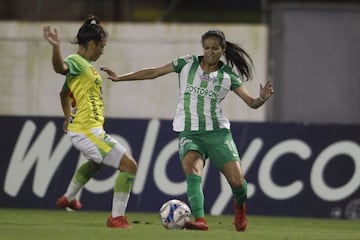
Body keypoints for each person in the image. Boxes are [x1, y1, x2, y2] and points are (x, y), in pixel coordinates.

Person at [100, 29, 274, 231]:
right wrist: (121, 78)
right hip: (190, 133)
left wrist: (261, 98)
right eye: (207, 48)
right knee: (192, 171)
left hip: (217, 134)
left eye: (215, 49)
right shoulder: (187, 63)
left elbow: (251, 103)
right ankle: (200, 219)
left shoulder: (227, 76)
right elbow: (154, 72)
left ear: (222, 49)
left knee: (238, 183)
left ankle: (240, 206)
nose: (210, 52)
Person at [43, 15, 137, 228]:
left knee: (96, 164)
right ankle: (117, 218)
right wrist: (56, 48)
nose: (102, 51)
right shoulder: (75, 62)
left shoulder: (86, 66)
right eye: (101, 46)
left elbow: (64, 93)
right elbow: (60, 68)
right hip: (87, 130)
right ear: (92, 44)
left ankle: (68, 197)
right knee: (129, 166)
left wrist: (67, 118)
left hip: (87, 129)